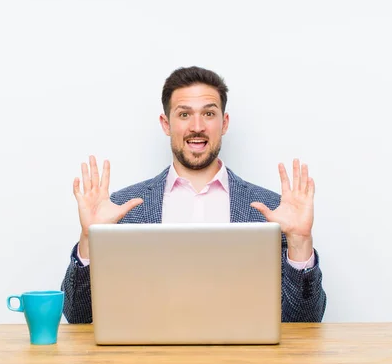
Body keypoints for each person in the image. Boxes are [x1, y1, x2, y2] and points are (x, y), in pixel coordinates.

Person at [61, 66, 327, 323]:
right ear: (166, 124)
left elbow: (305, 321)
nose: (197, 126)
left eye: (209, 114)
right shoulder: (121, 210)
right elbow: (78, 317)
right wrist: (89, 238)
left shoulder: (272, 210)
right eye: (184, 114)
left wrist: (300, 242)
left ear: (224, 123)